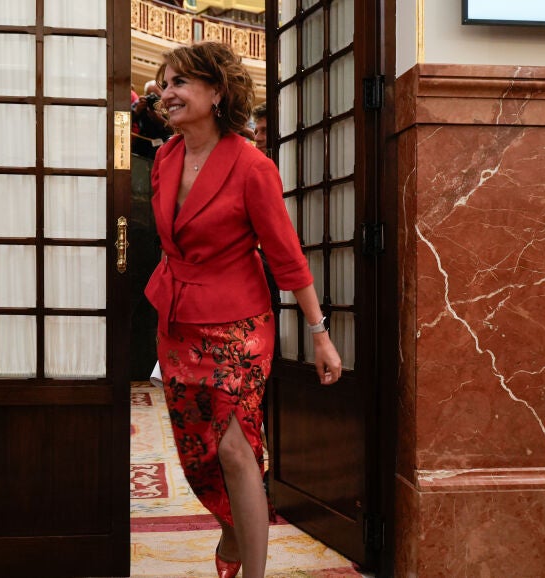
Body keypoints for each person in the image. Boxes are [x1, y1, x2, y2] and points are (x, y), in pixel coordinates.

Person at [143, 41, 342, 578]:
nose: (167, 92)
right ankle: (232, 528)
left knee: (234, 448)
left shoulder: (253, 166)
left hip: (239, 327)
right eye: (165, 83)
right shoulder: (164, 158)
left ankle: (252, 570)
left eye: (180, 82)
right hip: (179, 324)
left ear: (216, 92)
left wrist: (319, 332)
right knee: (196, 452)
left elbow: (286, 256)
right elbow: (172, 242)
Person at [132, 79, 173, 158]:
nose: (153, 99)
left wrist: (161, 120)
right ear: (145, 95)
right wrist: (136, 112)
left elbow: (176, 132)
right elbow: (124, 124)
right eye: (150, 95)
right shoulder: (141, 105)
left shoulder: (169, 107)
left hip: (161, 150)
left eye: (157, 96)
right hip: (141, 146)